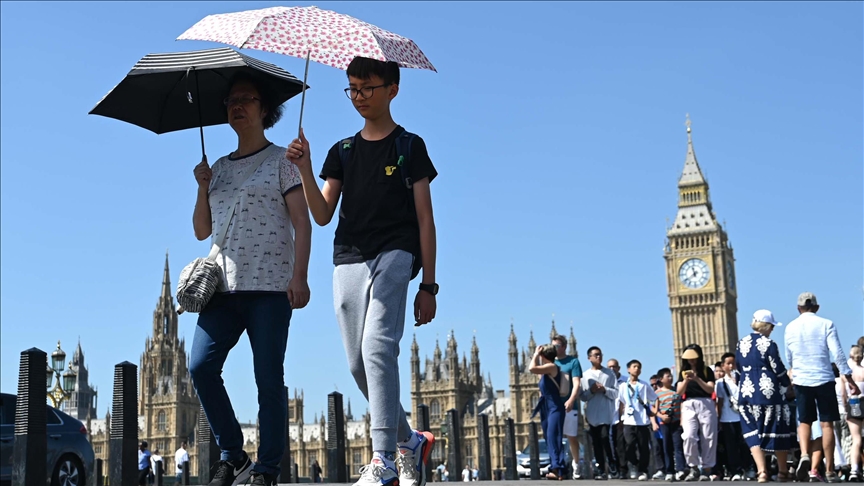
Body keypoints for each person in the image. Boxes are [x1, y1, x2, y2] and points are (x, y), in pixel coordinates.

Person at [287, 56, 438, 486]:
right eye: (352, 88)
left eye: (367, 87)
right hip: (349, 256)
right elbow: (321, 213)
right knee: (358, 363)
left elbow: (425, 219)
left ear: (392, 89)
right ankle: (410, 440)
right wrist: (303, 167)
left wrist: (429, 285)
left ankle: (383, 457)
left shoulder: (410, 147)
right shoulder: (342, 151)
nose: (359, 97)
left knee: (378, 344)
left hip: (396, 252)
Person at [189, 72, 312, 486]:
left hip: (270, 286)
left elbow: (302, 221)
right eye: (230, 101)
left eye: (246, 99)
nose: (236, 106)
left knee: (268, 381)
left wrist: (301, 276)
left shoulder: (283, 160)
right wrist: (202, 187)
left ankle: (267, 469)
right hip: (222, 287)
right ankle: (233, 454)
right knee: (200, 366)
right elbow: (202, 230)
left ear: (265, 109)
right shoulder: (219, 168)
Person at [784, 292, 860, 483]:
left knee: (804, 421)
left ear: (798, 308)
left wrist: (796, 371)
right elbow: (837, 352)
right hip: (824, 378)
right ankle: (829, 470)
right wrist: (848, 378)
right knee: (827, 424)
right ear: (817, 307)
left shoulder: (790, 327)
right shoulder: (826, 324)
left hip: (801, 380)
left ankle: (803, 454)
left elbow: (789, 356)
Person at [735, 310, 793, 483]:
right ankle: (782, 471)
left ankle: (762, 472)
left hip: (746, 393)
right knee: (777, 429)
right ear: (766, 326)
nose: (772, 330)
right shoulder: (769, 344)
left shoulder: (741, 343)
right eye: (772, 326)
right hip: (768, 394)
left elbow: (738, 370)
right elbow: (778, 368)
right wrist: (786, 384)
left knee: (752, 432)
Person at [676, 344, 717, 481]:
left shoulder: (706, 371)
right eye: (689, 359)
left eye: (694, 358)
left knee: (708, 437)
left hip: (705, 403)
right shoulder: (683, 372)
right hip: (688, 404)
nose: (691, 361)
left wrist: (697, 378)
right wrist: (687, 380)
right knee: (688, 435)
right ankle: (693, 467)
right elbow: (679, 392)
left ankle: (706, 468)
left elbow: (710, 390)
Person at [579, 346, 619, 480]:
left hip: (606, 413)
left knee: (605, 438)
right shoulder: (585, 375)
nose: (598, 357)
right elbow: (583, 396)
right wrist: (592, 391)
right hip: (592, 414)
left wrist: (604, 389)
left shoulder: (609, 373)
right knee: (596, 442)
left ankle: (612, 464)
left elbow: (615, 393)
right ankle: (601, 469)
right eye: (595, 355)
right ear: (589, 358)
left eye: (600, 354)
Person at [530, 343, 567, 480]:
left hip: (555, 407)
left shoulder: (552, 366)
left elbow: (531, 368)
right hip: (546, 407)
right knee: (549, 438)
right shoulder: (546, 371)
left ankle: (558, 469)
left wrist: (535, 355)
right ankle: (556, 468)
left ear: (543, 355)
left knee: (554, 437)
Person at [618, 359, 657, 481]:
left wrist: (655, 411)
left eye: (639, 367)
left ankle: (643, 470)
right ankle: (634, 463)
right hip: (629, 421)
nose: (637, 369)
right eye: (634, 366)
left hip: (642, 421)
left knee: (643, 447)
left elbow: (655, 398)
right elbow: (620, 402)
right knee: (629, 445)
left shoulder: (644, 385)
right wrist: (620, 418)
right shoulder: (623, 386)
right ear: (628, 369)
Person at [715, 353, 752, 481]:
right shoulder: (720, 383)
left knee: (745, 445)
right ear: (723, 366)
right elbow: (719, 402)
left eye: (733, 363)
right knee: (731, 447)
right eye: (728, 364)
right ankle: (735, 470)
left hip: (743, 417)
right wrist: (718, 418)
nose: (731, 366)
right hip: (727, 418)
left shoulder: (743, 378)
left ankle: (748, 468)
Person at [551, 334, 584, 479]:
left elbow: (577, 383)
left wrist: (571, 399)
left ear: (564, 346)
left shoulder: (573, 362)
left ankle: (576, 465)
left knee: (572, 437)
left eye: (557, 346)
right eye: (553, 346)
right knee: (554, 437)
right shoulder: (549, 362)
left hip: (569, 405)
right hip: (553, 406)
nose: (555, 348)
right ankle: (558, 468)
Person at [654, 367, 685, 481]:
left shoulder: (677, 390)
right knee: (666, 447)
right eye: (668, 376)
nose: (670, 378)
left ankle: (680, 469)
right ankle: (669, 471)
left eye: (671, 376)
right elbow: (653, 410)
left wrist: (681, 419)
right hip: (664, 423)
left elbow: (681, 405)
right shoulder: (657, 393)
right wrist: (661, 417)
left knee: (678, 446)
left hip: (676, 423)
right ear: (661, 379)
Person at [846, 348, 864, 481]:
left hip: (852, 403)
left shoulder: (846, 374)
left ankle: (854, 469)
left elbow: (842, 393)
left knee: (855, 439)